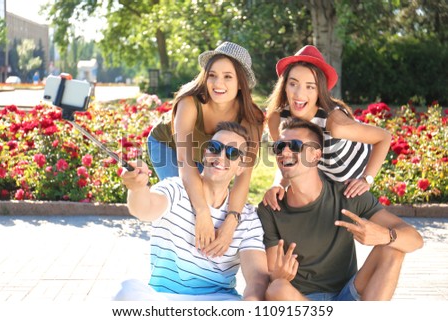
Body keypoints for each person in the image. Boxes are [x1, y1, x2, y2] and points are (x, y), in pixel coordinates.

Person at [257, 118, 423, 301]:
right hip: (303, 302)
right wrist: (278, 276)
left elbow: (415, 240)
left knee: (393, 248)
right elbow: (273, 272)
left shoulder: (348, 195)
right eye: (279, 147)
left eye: (295, 145)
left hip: (348, 294)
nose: (285, 151)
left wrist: (385, 236)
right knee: (276, 289)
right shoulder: (271, 207)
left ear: (316, 155)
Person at [116, 121, 269, 301]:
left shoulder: (246, 216)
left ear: (241, 167)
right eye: (215, 147)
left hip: (219, 302)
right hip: (165, 300)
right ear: (204, 153)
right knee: (127, 293)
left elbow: (257, 277)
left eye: (232, 153)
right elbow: (144, 209)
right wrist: (137, 188)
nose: (220, 156)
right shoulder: (175, 189)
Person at [148, 41, 265, 257]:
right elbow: (184, 161)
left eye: (228, 76)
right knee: (187, 202)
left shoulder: (252, 118)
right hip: (169, 148)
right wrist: (202, 212)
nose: (217, 83)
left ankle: (206, 264)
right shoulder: (191, 102)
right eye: (212, 75)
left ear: (241, 83)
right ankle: (175, 258)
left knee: (212, 205)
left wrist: (231, 221)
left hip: (211, 154)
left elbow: (243, 176)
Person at [264, 45, 391, 210]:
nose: (299, 94)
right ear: (284, 85)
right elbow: (286, 157)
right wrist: (279, 184)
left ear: (319, 91)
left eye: (310, 86)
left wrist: (366, 179)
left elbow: (384, 137)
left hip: (350, 181)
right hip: (319, 174)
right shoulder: (277, 119)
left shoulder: (334, 123)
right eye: (293, 84)